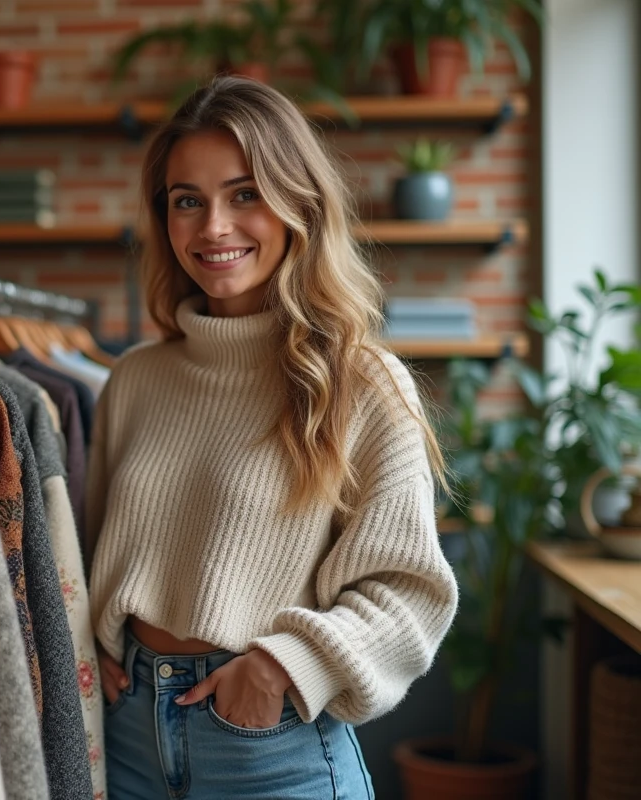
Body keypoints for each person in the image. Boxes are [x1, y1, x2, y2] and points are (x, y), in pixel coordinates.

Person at [87, 76, 460, 799]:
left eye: (245, 193)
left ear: (299, 205)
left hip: (268, 741)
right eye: (186, 201)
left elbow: (412, 591)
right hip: (125, 734)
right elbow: (96, 552)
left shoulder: (360, 381)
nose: (213, 227)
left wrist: (285, 667)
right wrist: (95, 647)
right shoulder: (133, 380)